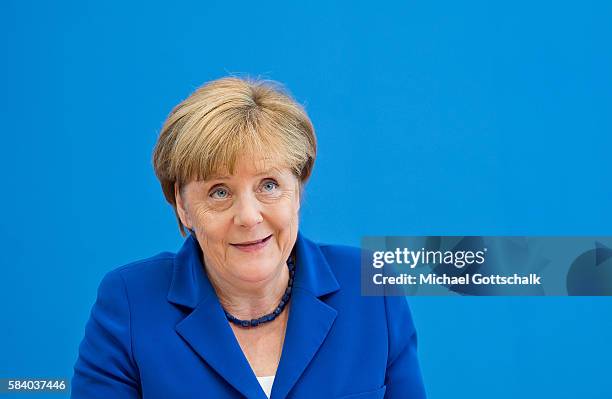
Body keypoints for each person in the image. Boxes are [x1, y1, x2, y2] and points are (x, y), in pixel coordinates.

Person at [71, 77, 427, 398]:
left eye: (268, 185)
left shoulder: (373, 287)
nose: (249, 217)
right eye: (219, 192)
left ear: (298, 189)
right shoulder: (130, 301)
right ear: (182, 204)